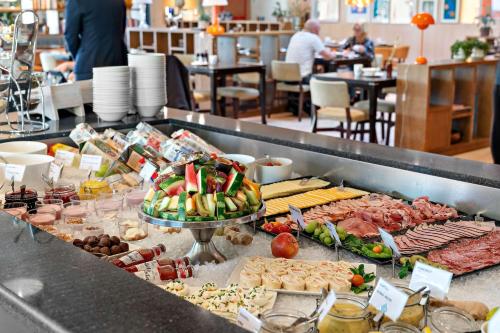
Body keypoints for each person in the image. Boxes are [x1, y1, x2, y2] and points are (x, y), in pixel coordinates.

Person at [64, 0, 128, 81]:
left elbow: (70, 36)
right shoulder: (119, 1)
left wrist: (81, 55)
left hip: (89, 67)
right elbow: (121, 31)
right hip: (118, 62)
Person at [285, 19, 334, 83]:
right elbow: (328, 57)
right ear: (314, 29)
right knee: (324, 81)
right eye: (318, 30)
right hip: (302, 79)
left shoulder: (295, 36)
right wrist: (333, 54)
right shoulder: (313, 37)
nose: (318, 33)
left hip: (286, 78)